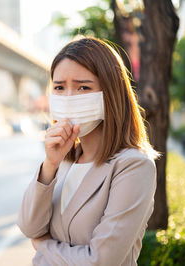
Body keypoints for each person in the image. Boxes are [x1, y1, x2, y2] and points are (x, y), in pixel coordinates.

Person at [17, 37, 158, 266]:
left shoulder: (133, 165)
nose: (69, 97)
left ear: (110, 92)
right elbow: (29, 226)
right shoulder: (64, 160)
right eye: (59, 87)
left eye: (83, 87)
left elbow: (100, 261)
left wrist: (44, 246)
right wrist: (50, 165)